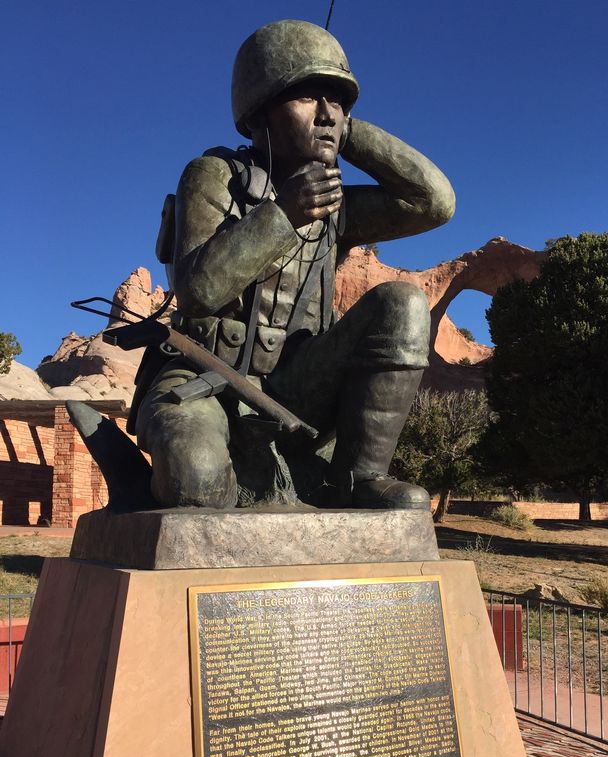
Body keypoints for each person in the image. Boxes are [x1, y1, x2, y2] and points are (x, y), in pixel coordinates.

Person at [133, 19, 455, 511]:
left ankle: (360, 479)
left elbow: (433, 202)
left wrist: (345, 135)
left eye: (338, 101)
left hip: (295, 385)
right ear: (259, 109)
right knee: (195, 484)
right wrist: (282, 213)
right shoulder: (215, 175)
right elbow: (197, 289)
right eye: (307, 97)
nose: (327, 114)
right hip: (203, 378)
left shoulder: (335, 205)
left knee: (404, 303)